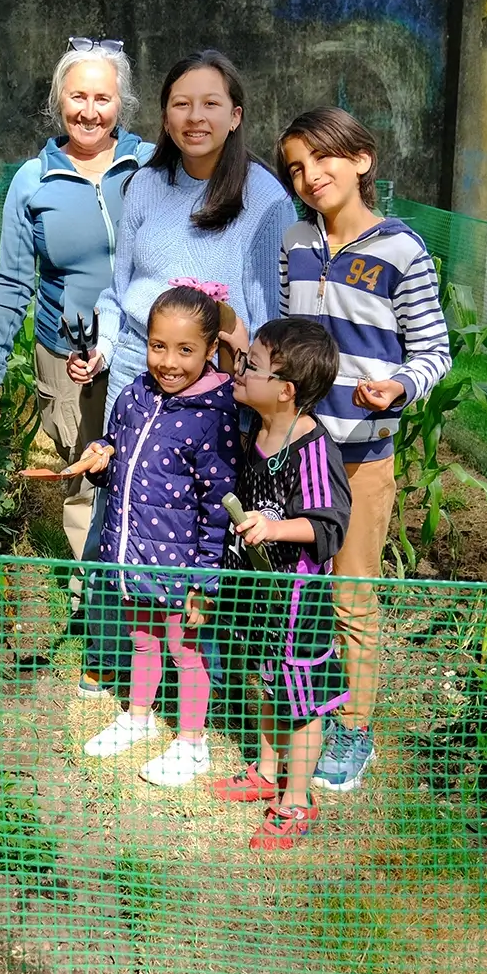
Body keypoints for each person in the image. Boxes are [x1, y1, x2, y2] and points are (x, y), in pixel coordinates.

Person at [67, 50, 293, 696]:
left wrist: (245, 375)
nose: (194, 117)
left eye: (210, 104)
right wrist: (107, 351)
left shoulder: (265, 198)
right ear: (163, 115)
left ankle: (201, 659)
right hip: (142, 366)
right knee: (123, 503)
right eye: (180, 104)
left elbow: (267, 314)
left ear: (235, 114)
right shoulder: (143, 184)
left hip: (216, 384)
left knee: (205, 517)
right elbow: (119, 290)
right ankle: (113, 645)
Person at [276, 107, 451, 792]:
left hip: (362, 456)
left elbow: (435, 350)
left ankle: (356, 730)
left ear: (362, 161)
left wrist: (400, 386)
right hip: (300, 452)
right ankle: (298, 703)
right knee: (298, 588)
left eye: (322, 159)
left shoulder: (402, 250)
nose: (309, 175)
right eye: (295, 167)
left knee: (352, 595)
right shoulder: (294, 240)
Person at [0, 39, 153, 572]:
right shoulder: (34, 180)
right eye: (77, 96)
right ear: (59, 100)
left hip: (149, 346)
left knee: (149, 464)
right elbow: (13, 282)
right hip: (67, 355)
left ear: (121, 104)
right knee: (84, 475)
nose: (89, 111)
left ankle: (145, 579)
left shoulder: (150, 167)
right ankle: (93, 594)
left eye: (103, 97)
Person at [68, 285, 239, 786]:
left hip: (181, 566)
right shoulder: (135, 394)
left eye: (186, 350)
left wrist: (204, 579)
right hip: (133, 550)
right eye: (158, 345)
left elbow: (219, 504)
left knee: (186, 650)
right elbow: (115, 447)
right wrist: (100, 456)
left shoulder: (214, 416)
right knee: (142, 639)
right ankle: (139, 718)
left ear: (210, 352)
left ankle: (192, 743)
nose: (168, 361)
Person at [207, 319, 352, 849]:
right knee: (265, 678)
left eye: (252, 365)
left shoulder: (311, 447)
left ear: (286, 391)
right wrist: (232, 349)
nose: (240, 371)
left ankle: (297, 800)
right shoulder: (262, 426)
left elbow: (329, 523)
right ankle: (267, 772)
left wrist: (272, 527)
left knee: (301, 696)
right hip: (259, 589)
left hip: (297, 595)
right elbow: (236, 383)